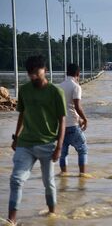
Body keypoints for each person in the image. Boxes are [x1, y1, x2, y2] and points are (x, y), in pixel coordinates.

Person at [8, 56, 66, 225]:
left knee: (48, 182)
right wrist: (16, 136)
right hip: (25, 144)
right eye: (30, 73)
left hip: (48, 144)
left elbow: (62, 120)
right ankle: (11, 220)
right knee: (16, 179)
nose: (33, 76)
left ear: (45, 71)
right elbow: (22, 113)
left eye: (36, 72)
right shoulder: (25, 90)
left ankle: (52, 215)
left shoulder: (56, 92)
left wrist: (59, 147)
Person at [59, 64, 89, 177]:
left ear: (67, 73)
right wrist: (85, 119)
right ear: (78, 74)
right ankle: (82, 175)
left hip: (61, 125)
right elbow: (76, 106)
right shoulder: (76, 87)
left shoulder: (60, 86)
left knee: (63, 154)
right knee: (83, 150)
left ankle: (63, 175)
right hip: (73, 125)